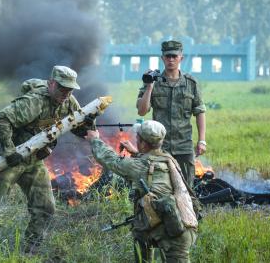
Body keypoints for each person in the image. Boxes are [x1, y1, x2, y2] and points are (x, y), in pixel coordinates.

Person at [0, 65, 94, 252]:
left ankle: (29, 251)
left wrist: (89, 120)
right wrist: (8, 151)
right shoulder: (34, 102)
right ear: (51, 83)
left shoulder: (69, 101)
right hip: (10, 160)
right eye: (62, 88)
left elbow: (77, 128)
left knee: (46, 208)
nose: (66, 93)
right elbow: (1, 119)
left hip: (34, 162)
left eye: (70, 89)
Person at [86, 121, 198, 263]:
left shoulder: (139, 166)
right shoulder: (168, 159)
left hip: (175, 235)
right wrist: (137, 153)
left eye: (138, 138)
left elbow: (111, 160)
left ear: (144, 143)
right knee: (139, 232)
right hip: (182, 224)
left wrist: (95, 140)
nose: (136, 140)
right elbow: (149, 163)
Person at [137, 40, 206, 187]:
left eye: (174, 56)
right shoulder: (152, 81)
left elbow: (199, 112)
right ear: (162, 58)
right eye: (167, 56)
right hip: (159, 147)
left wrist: (202, 140)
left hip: (184, 146)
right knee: (160, 187)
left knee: (187, 188)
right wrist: (149, 87)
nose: (171, 59)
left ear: (181, 57)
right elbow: (142, 111)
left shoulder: (191, 83)